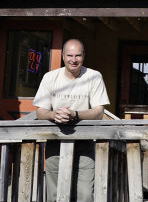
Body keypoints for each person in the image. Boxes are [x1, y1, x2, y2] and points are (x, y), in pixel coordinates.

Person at [33, 38, 110, 202]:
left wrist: (74, 114)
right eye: (69, 55)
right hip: (54, 141)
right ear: (62, 56)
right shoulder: (50, 77)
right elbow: (40, 111)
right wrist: (54, 115)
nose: (73, 60)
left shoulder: (94, 76)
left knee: (85, 195)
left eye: (77, 56)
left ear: (83, 56)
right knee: (54, 194)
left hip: (85, 143)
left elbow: (99, 112)